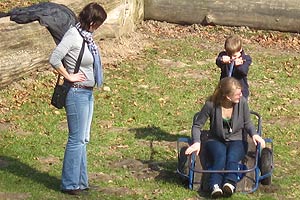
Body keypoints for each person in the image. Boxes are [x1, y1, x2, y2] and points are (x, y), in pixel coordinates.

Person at [49, 2, 107, 195]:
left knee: (83, 139)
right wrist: (68, 76)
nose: (99, 28)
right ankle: (69, 183)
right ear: (92, 21)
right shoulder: (73, 35)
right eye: (98, 23)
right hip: (76, 93)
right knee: (76, 139)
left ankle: (81, 182)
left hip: (87, 93)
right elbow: (55, 58)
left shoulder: (87, 37)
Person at [185, 77, 265, 198]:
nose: (241, 95)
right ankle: (215, 185)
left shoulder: (242, 103)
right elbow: (197, 125)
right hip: (216, 139)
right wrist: (197, 142)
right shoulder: (211, 105)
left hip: (237, 139)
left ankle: (229, 183)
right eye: (237, 94)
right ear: (228, 96)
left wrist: (254, 134)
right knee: (219, 157)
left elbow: (247, 122)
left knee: (232, 157)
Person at [216, 35, 252, 99]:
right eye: (230, 55)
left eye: (234, 55)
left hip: (240, 92)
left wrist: (239, 66)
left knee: (239, 108)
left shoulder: (246, 58)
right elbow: (218, 62)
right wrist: (222, 60)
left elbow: (244, 71)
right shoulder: (223, 55)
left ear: (240, 50)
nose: (232, 57)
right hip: (225, 89)